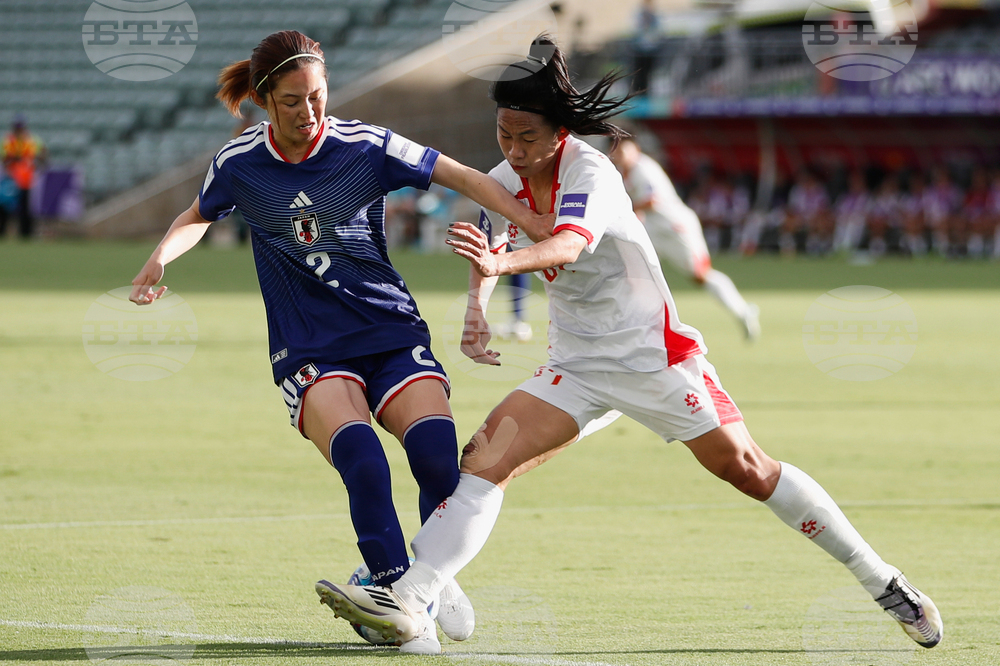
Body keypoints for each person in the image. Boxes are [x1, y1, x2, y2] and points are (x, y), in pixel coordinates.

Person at [317, 35, 944, 655]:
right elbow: (491, 244)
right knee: (482, 460)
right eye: (504, 135)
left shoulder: (591, 172)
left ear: (560, 130)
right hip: (577, 367)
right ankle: (411, 595)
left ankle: (880, 579)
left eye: (527, 136)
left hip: (654, 359)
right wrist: (477, 310)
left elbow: (566, 245)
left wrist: (501, 271)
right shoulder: (505, 176)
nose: (514, 149)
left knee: (749, 469)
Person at [127, 30, 552, 653]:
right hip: (310, 349)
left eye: (318, 97)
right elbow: (197, 214)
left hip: (388, 329)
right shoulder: (240, 163)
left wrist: (537, 228)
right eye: (294, 101)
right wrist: (160, 258)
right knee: (364, 461)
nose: (310, 113)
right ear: (265, 99)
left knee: (437, 455)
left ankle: (425, 578)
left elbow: (466, 178)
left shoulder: (366, 146)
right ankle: (401, 611)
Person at [609, 137, 759, 339]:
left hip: (674, 226)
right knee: (633, 271)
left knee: (701, 274)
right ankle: (635, 326)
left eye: (623, 150)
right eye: (616, 152)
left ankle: (743, 311)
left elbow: (651, 201)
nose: (619, 155)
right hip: (653, 228)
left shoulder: (643, 168)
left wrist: (626, 211)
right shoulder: (624, 172)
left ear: (635, 148)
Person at [1, 116, 46, 239]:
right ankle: (2, 232)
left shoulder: (32, 140)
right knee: (5, 207)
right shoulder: (8, 141)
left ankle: (25, 234)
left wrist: (37, 162)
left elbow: (43, 154)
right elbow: (4, 158)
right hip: (10, 180)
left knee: (25, 209)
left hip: (26, 180)